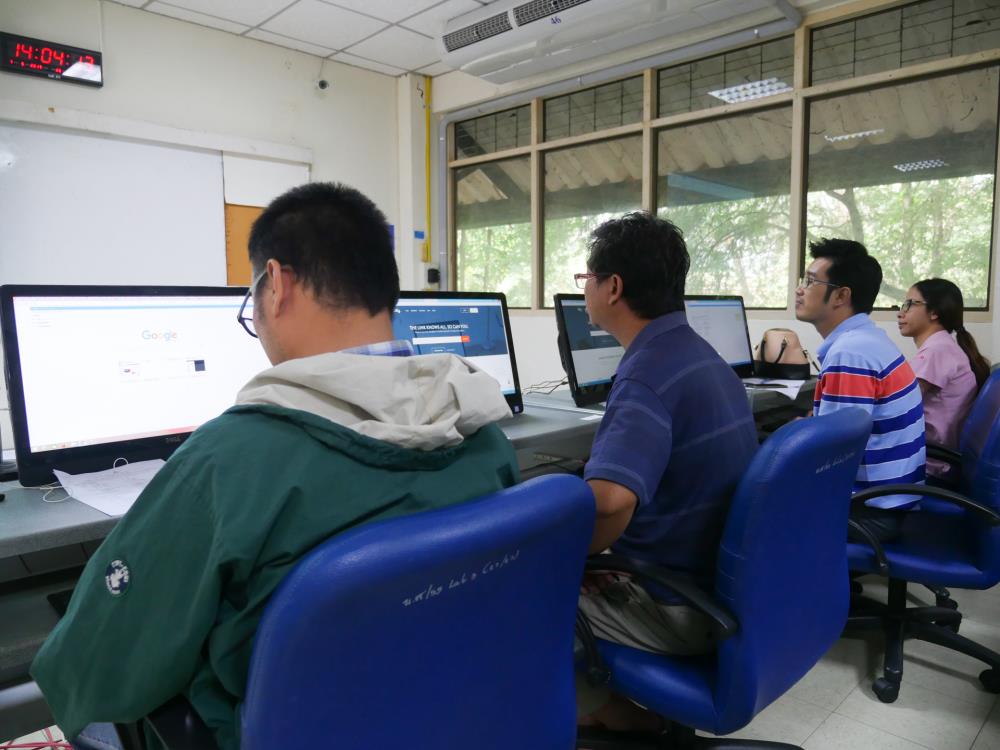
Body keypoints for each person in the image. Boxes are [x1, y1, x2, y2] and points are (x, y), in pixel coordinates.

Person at [31, 183, 518, 750]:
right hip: (458, 714)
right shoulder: (484, 434)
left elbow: (100, 666)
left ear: (277, 283)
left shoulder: (228, 461)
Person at [575, 212, 758, 732]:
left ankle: (612, 719)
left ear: (613, 287)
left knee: (517, 588)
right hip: (722, 588)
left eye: (587, 278)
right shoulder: (699, 354)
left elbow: (610, 503)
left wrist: (568, 551)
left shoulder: (646, 373)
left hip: (676, 605)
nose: (585, 289)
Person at [795, 238, 925, 542]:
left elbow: (833, 458)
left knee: (749, 502)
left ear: (841, 295)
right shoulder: (867, 341)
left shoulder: (850, 354)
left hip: (870, 512)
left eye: (811, 281)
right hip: (889, 500)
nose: (800, 289)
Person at [897, 278, 991, 478]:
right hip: (935, 457)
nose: (900, 312)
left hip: (930, 465)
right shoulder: (943, 347)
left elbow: (897, 407)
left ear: (934, 312)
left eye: (910, 304)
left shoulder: (937, 351)